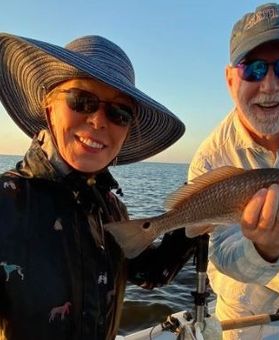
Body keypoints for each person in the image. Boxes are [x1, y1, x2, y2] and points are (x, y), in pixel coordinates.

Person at [0, 33, 195, 340]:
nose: (98, 121)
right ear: (48, 106)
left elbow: (148, 272)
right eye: (82, 100)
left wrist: (195, 211)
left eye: (119, 113)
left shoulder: (110, 208)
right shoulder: (6, 203)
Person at [188, 3, 279, 339]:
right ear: (230, 80)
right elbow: (222, 256)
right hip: (249, 321)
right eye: (253, 70)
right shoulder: (211, 156)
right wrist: (264, 250)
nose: (269, 85)